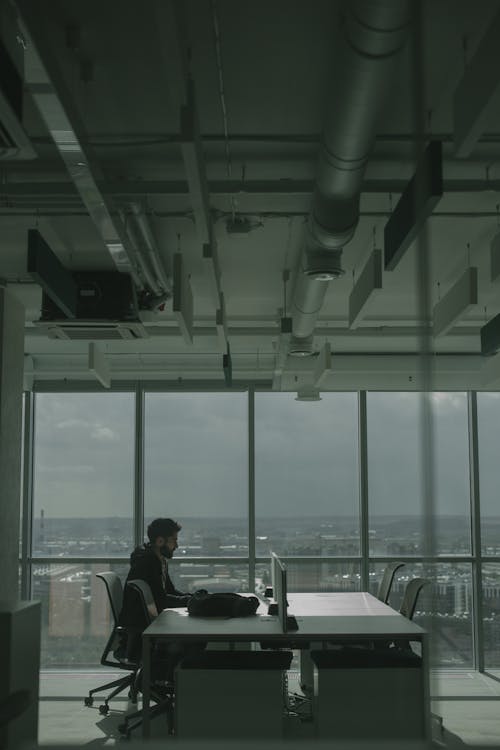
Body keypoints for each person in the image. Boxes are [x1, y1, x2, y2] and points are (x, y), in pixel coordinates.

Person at [119, 517, 191, 632]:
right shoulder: (147, 563)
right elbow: (160, 599)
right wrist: (189, 601)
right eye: (174, 540)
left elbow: (169, 591)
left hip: (151, 619)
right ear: (160, 541)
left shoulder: (158, 560)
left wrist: (190, 598)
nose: (176, 546)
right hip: (143, 624)